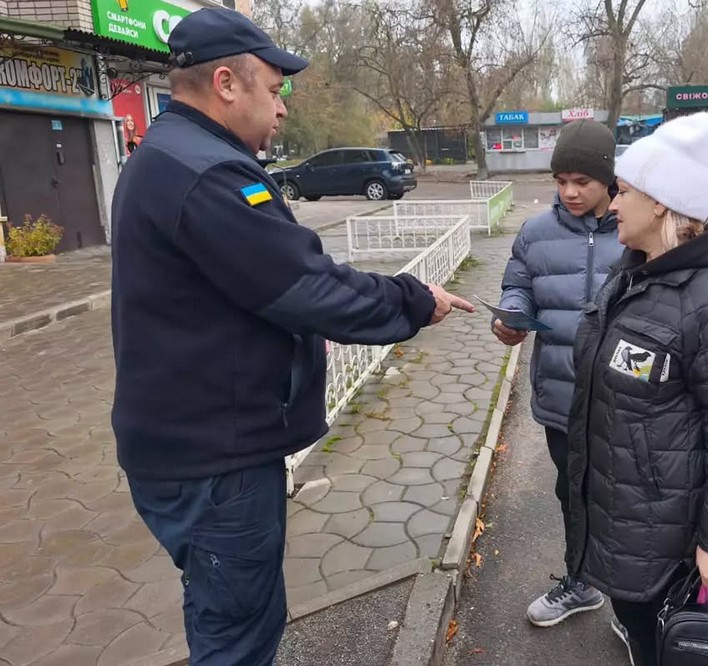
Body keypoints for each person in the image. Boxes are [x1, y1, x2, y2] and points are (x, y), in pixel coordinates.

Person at [110, 8, 473, 664]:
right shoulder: (210, 175)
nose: (281, 110)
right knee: (239, 636)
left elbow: (268, 283)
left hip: (193, 446)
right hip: (215, 460)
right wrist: (418, 299)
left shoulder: (171, 155)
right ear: (226, 82)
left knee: (227, 614)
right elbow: (307, 288)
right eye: (274, 91)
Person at [565, 112, 708, 666]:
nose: (612, 203)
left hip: (673, 549)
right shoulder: (634, 274)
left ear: (660, 202)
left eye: (625, 191)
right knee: (644, 641)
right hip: (624, 527)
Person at [492, 119, 625, 628]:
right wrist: (509, 313)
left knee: (628, 500)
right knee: (574, 495)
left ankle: (635, 607)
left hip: (623, 400)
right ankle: (581, 582)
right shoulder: (535, 232)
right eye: (561, 179)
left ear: (609, 181)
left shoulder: (637, 228)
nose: (569, 192)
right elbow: (518, 284)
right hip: (561, 398)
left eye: (582, 182)